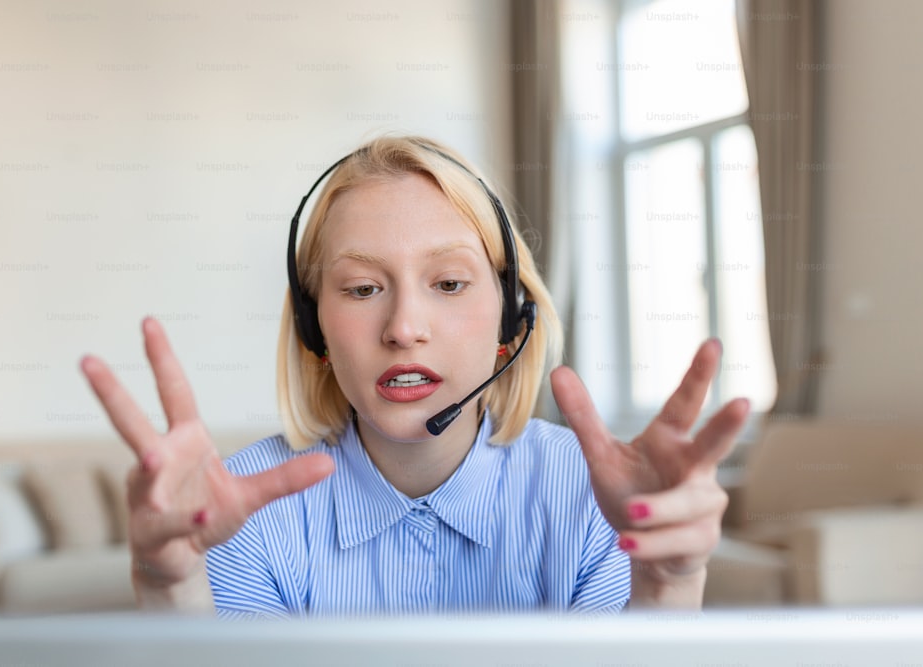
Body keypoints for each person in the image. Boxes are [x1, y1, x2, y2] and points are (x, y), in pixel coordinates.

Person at [80, 135, 749, 617]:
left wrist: (665, 585)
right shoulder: (242, 514)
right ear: (316, 333)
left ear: (512, 321)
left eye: (450, 282)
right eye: (364, 288)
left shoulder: (591, 495)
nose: (404, 327)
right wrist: (173, 590)